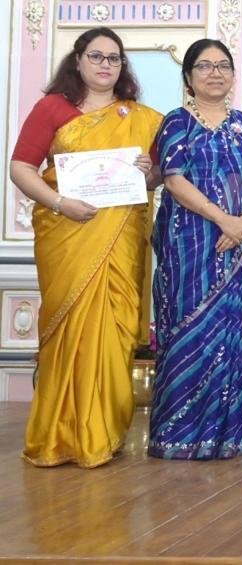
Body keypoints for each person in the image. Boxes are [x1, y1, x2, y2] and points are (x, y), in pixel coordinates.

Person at [9, 27, 163, 468]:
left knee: (113, 333)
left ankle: (103, 434)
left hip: (121, 238)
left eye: (114, 59)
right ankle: (59, 435)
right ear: (77, 61)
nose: (105, 65)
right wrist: (60, 202)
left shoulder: (138, 117)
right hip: (67, 233)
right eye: (96, 56)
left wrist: (147, 169)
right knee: (68, 331)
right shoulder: (52, 109)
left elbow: (151, 180)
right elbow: (22, 167)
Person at [149, 39, 242, 460]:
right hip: (190, 245)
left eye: (223, 65)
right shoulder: (176, 123)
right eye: (204, 66)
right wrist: (225, 220)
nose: (215, 73)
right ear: (188, 77)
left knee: (230, 330)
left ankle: (234, 432)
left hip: (238, 243)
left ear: (234, 75)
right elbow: (174, 178)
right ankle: (179, 434)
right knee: (189, 329)